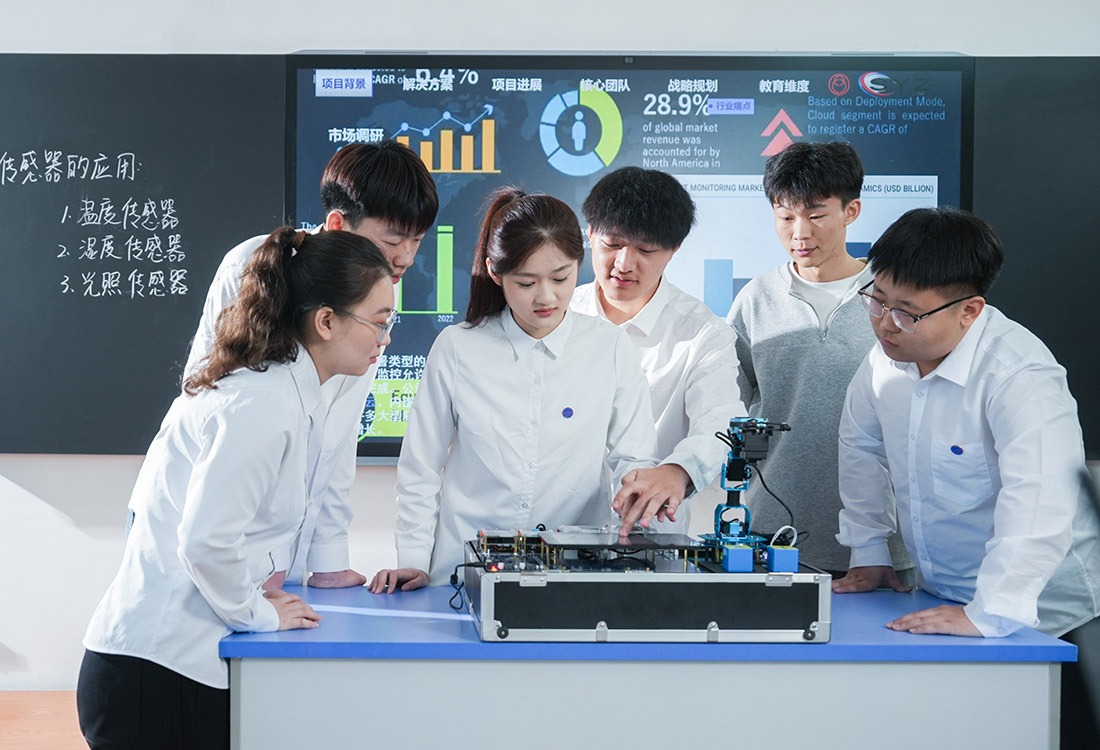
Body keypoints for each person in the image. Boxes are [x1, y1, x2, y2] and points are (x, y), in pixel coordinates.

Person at [78, 228, 396, 750]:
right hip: (153, 676)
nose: (385, 339)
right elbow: (205, 542)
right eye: (380, 322)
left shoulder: (280, 391)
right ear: (326, 321)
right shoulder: (264, 402)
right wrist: (258, 612)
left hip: (171, 666)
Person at [832, 206, 1100, 742]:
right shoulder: (886, 360)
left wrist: (992, 610)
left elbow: (1039, 500)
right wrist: (870, 550)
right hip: (942, 600)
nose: (884, 323)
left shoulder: (1018, 375)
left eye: (907, 313)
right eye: (877, 299)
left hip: (1046, 615)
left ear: (969, 311)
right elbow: (859, 446)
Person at [369, 188, 659, 592]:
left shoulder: (609, 348)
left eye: (561, 278)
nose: (546, 296)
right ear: (495, 273)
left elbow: (634, 459)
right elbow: (420, 468)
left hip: (572, 573)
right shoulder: (458, 347)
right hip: (463, 572)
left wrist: (638, 503)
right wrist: (414, 560)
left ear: (579, 264)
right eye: (526, 282)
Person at [184, 140, 438, 589]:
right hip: (216, 537)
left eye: (417, 240)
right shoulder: (252, 268)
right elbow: (212, 407)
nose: (406, 258)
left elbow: (340, 435)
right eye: (393, 240)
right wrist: (251, 577)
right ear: (338, 223)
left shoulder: (378, 291)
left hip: (278, 556)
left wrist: (328, 558)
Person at [725, 140, 909, 576]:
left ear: (851, 211)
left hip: (888, 539)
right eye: (786, 217)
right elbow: (728, 402)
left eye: (816, 215)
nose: (800, 233)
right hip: (775, 532)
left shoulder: (896, 298)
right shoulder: (755, 299)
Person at [570, 166, 744, 537]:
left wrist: (678, 471)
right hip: (556, 527)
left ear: (674, 250)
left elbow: (721, 420)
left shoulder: (702, 333)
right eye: (612, 244)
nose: (623, 264)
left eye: (646, 250)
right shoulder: (557, 315)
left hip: (652, 535)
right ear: (590, 233)